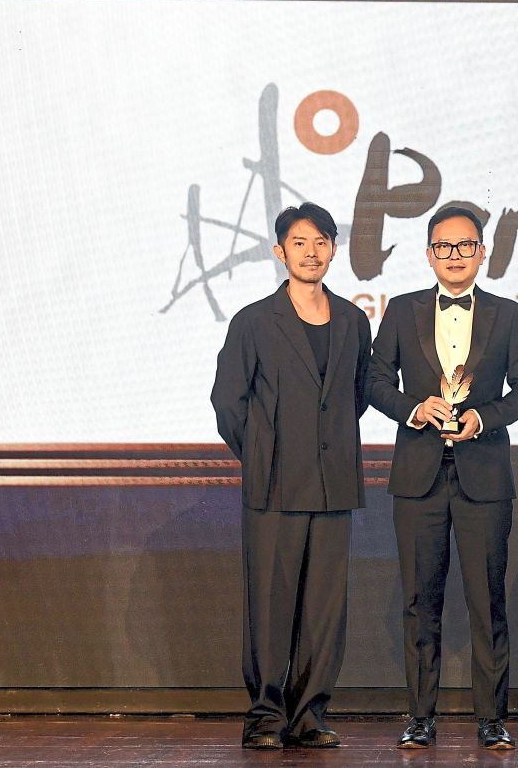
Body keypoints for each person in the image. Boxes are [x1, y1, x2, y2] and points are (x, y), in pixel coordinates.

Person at [367, 205, 518, 750]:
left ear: (482, 252)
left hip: (483, 476)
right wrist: (414, 409)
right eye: (444, 246)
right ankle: (420, 716)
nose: (455, 255)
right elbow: (374, 380)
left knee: (487, 600)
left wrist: (483, 418)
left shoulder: (507, 314)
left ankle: (491, 717)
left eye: (465, 245)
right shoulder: (401, 310)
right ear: (429, 254)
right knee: (420, 601)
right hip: (418, 477)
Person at [211, 202, 371, 750]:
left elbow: (353, 399)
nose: (311, 252)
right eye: (300, 243)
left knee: (324, 611)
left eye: (321, 242)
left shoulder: (353, 320)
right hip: (274, 485)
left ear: (334, 249)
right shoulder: (254, 321)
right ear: (280, 251)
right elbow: (228, 403)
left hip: (333, 485)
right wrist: (263, 454)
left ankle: (309, 716)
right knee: (270, 606)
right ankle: (264, 716)